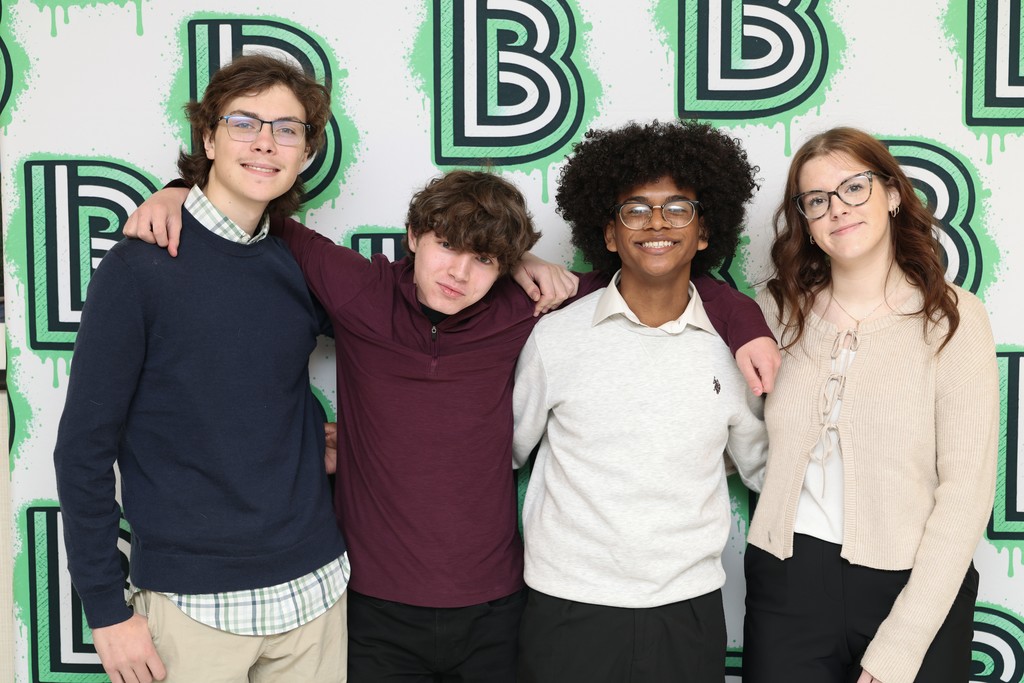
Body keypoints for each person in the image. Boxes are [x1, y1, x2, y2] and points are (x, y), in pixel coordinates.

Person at [125, 167, 779, 682]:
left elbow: (657, 275)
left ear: (504, 268)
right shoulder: (359, 292)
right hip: (376, 608)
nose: (459, 272)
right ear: (413, 236)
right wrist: (180, 191)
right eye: (446, 245)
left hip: (496, 609)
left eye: (484, 258)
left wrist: (747, 321)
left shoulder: (525, 306)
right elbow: (257, 213)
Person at [53, 54, 350, 683]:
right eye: (245, 123)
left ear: (305, 152)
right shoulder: (139, 268)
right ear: (208, 138)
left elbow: (410, 320)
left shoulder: (299, 265)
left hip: (317, 593)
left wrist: (505, 261)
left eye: (287, 129)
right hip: (194, 609)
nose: (266, 142)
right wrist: (107, 612)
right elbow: (82, 451)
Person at [511, 120, 769, 682]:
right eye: (636, 209)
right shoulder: (555, 338)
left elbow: (765, 469)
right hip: (565, 605)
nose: (657, 223)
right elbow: (502, 451)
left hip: (687, 608)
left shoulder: (735, 350)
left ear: (705, 233)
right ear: (608, 235)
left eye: (678, 208)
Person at [742, 126, 998, 683]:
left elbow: (966, 493)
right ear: (805, 222)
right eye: (817, 200)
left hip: (913, 582)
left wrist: (900, 648)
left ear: (892, 194)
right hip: (787, 579)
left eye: (854, 188)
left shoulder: (953, 318)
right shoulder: (772, 312)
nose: (838, 210)